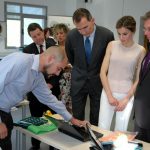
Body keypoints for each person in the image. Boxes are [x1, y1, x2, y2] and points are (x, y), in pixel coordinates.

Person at [0, 46, 88, 150]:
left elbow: (50, 100)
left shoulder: (37, 77)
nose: (57, 73)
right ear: (51, 59)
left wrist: (71, 119)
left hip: (5, 113)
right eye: (59, 68)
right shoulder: (20, 61)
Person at [65, 8, 114, 125]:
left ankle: (94, 139)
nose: (83, 32)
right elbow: (71, 57)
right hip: (78, 80)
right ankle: (78, 140)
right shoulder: (71, 36)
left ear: (92, 20)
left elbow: (109, 60)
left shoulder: (107, 35)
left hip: (97, 80)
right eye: (79, 29)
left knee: (96, 115)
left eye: (85, 27)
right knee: (77, 116)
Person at [98, 16, 145, 131]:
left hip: (126, 95)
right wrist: (109, 95)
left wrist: (127, 98)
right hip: (108, 92)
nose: (121, 37)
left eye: (125, 34)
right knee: (102, 128)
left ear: (133, 31)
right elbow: (102, 72)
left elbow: (139, 78)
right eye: (119, 33)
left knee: (121, 131)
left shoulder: (141, 50)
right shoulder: (112, 45)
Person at [23, 23, 61, 150]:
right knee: (36, 119)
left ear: (43, 32)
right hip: (35, 93)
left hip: (52, 90)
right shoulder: (27, 51)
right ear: (31, 38)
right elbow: (29, 72)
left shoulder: (54, 47)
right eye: (34, 37)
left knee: (53, 119)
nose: (37, 38)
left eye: (39, 34)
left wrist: (51, 84)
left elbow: (59, 68)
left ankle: (53, 146)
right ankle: (35, 145)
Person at [134, 11, 150, 143]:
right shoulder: (148, 51)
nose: (145, 33)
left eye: (149, 29)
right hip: (141, 114)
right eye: (145, 29)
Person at [54, 23, 72, 113]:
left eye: (61, 33)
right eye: (57, 34)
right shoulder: (54, 48)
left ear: (66, 33)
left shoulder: (71, 46)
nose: (59, 36)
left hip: (71, 76)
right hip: (59, 77)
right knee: (61, 102)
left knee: (71, 104)